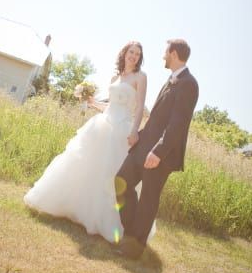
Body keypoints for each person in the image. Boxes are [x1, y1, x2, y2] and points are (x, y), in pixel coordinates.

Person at [24, 41, 154, 243]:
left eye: (137, 54)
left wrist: (135, 131)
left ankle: (109, 221)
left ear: (139, 58)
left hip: (122, 129)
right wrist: (92, 102)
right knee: (86, 166)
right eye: (131, 52)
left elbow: (138, 108)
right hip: (102, 125)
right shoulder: (115, 77)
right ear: (124, 53)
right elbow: (110, 106)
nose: (134, 56)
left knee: (113, 174)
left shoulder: (141, 77)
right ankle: (76, 209)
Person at [115, 39, 199, 260]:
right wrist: (139, 136)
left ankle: (133, 248)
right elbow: (156, 119)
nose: (163, 55)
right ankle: (131, 233)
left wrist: (158, 152)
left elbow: (177, 124)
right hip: (144, 145)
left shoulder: (189, 83)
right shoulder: (170, 80)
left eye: (165, 51)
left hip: (161, 153)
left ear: (173, 53)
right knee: (120, 182)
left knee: (148, 200)